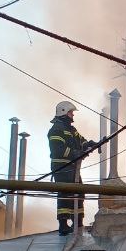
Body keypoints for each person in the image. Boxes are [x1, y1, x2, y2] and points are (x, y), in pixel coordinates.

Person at [47, 100, 97, 235]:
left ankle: (78, 221)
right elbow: (57, 149)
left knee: (79, 192)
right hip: (61, 167)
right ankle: (63, 225)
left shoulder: (71, 129)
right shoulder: (56, 130)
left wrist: (91, 144)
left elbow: (81, 140)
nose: (73, 115)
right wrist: (74, 153)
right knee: (65, 194)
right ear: (63, 112)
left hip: (72, 167)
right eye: (71, 112)